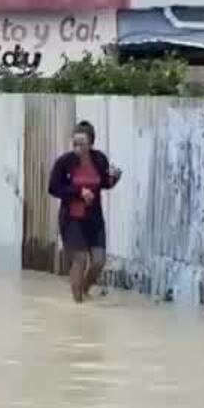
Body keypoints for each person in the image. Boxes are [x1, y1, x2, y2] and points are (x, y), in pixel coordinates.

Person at [48, 120, 122, 304]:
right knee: (80, 259)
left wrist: (114, 178)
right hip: (72, 218)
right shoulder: (65, 162)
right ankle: (78, 305)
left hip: (94, 219)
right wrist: (78, 192)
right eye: (74, 144)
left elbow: (104, 183)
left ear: (91, 144)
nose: (77, 148)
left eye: (81, 144)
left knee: (98, 261)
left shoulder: (99, 159)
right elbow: (53, 187)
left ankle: (84, 291)